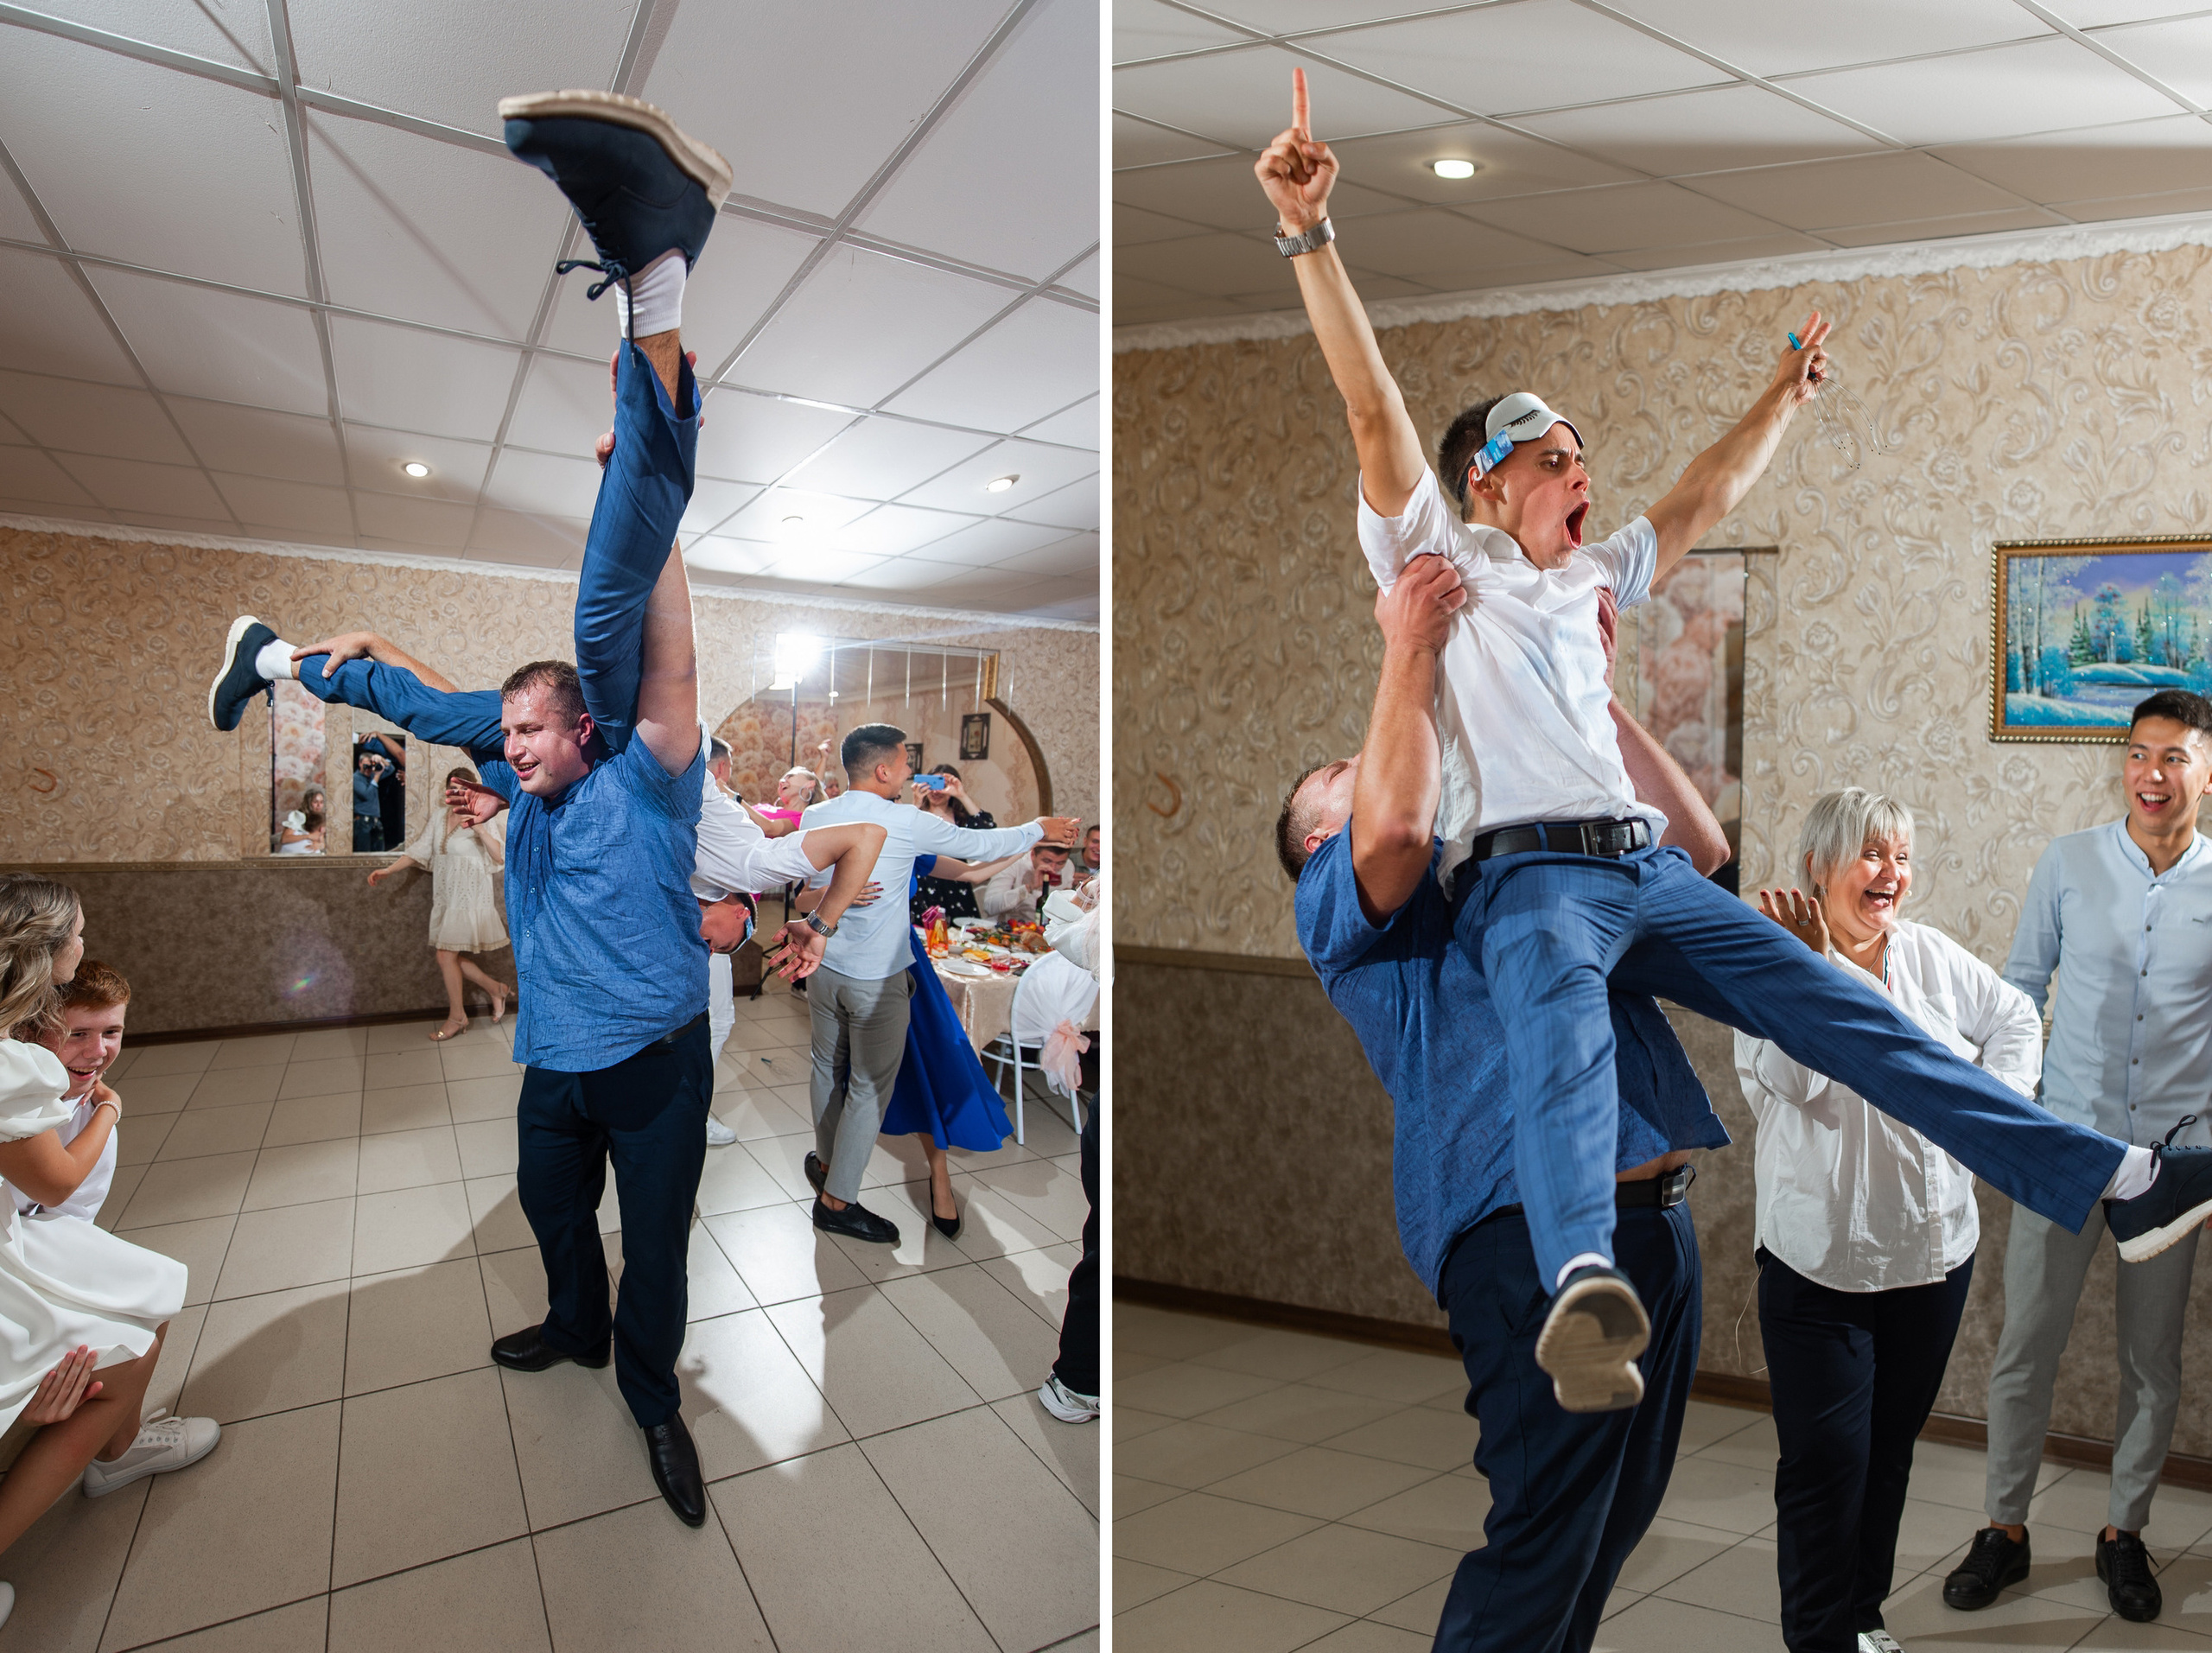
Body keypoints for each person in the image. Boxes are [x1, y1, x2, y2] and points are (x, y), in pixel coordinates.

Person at [1257, 68, 2204, 1412]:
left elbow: (1699, 495)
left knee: (1853, 1015)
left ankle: (2112, 1176)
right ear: (1485, 479)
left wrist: (1787, 398)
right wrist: (1310, 236)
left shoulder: (1590, 586)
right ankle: (1584, 1293)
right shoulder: (1440, 565)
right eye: (1555, 455)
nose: (1584, 473)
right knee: (1563, 1047)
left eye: (1589, 458)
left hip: (1638, 867)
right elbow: (1371, 411)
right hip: (1528, 880)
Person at [204, 91, 885, 1527]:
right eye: (509, 734)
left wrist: (656, 538)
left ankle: (649, 1387)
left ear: (588, 728)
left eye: (536, 728)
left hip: (653, 1062)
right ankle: (266, 652)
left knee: (661, 1248)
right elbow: (445, 705)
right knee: (549, 1212)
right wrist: (328, 673)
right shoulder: (521, 767)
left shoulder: (640, 771)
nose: (517, 747)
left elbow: (664, 656)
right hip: (554, 1066)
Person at [1287, 554, 1731, 1651]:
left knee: (1606, 1524)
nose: (1371, 763)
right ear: (1314, 844)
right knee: (1540, 1538)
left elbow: (1702, 850)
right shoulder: (1343, 897)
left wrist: (1580, 683)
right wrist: (1410, 647)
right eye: (1342, 770)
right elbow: (1390, 830)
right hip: (1520, 1235)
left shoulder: (1518, 863)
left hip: (1651, 1223)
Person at [1738, 790, 2040, 1653]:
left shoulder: (1930, 956)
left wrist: (1992, 1107)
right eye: (1871, 854)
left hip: (1934, 1254)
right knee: (1823, 1465)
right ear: (1817, 868)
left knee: (1887, 1450)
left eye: (1900, 856)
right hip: (1821, 1262)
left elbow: (2015, 1017)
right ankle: (1819, 1637)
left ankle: (1862, 1615)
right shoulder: (1766, 965)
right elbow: (1795, 1084)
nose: (1891, 873)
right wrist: (1809, 976)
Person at [1943, 690, 2212, 1625]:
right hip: (2063, 1146)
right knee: (2026, 1346)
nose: (2151, 773)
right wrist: (2014, 1116)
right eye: (2138, 753)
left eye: (2173, 757)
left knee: (2151, 1359)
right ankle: (2004, 1529)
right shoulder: (2067, 863)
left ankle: (2122, 1532)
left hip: (2176, 1164)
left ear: (2206, 772)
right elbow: (2018, 993)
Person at [0, 874, 220, 1629]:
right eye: (80, 933)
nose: (85, 943)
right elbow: (55, 1188)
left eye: (111, 1035)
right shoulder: (20, 1072)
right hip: (18, 1240)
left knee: (144, 1305)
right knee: (126, 1337)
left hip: (25, 1233)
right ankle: (115, 1450)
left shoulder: (28, 1059)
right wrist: (109, 1111)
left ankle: (120, 1446)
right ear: (47, 951)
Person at [794, 723, 1077, 1244]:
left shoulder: (818, 814)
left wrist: (832, 895)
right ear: (883, 770)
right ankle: (837, 1201)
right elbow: (977, 841)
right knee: (868, 1086)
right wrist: (1038, 827)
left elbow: (803, 898)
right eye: (905, 763)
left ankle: (829, 1161)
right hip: (874, 980)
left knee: (825, 1068)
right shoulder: (904, 820)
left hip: (823, 968)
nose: (909, 772)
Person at [798, 851, 1026, 1236]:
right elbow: (804, 898)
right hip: (841, 961)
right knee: (836, 1069)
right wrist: (839, 894)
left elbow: (971, 873)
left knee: (925, 1066)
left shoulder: (906, 841)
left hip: (900, 961)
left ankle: (939, 1178)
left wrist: (1029, 841)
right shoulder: (842, 833)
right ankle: (829, 1171)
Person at [366, 766, 512, 1040]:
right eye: (452, 790)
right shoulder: (438, 817)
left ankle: (458, 1016)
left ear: (472, 791)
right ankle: (496, 989)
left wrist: (480, 828)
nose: (456, 795)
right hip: (447, 898)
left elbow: (499, 856)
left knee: (445, 956)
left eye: (463, 790)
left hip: (470, 899)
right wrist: (388, 871)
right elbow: (419, 850)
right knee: (449, 957)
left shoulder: (482, 816)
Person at [19, 959, 136, 1224]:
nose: (98, 1052)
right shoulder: (12, 1104)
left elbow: (72, 1221)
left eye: (111, 1032)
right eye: (78, 1034)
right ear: (28, 1032)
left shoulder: (93, 1121)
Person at [911, 765, 996, 919]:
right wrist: (916, 802)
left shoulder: (961, 819)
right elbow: (902, 832)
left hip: (957, 884)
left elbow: (989, 832)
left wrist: (961, 794)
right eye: (932, 785)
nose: (936, 791)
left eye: (941, 785)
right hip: (924, 886)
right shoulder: (917, 815)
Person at [979, 842, 1071, 924]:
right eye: (1047, 861)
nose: (1053, 868)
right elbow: (990, 907)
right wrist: (1028, 888)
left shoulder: (1068, 866)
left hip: (1045, 931)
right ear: (1033, 854)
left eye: (1060, 863)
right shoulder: (1011, 863)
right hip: (1006, 927)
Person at [351, 747, 386, 852]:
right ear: (360, 763)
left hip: (375, 821)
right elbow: (366, 795)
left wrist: (381, 760)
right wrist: (376, 777)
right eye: (366, 765)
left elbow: (391, 768)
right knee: (364, 853)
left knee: (379, 852)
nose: (368, 769)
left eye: (371, 766)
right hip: (363, 821)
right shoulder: (355, 778)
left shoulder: (372, 774)